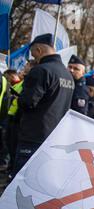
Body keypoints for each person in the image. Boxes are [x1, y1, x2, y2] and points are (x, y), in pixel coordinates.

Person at [15, 33, 74, 176]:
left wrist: (19, 98)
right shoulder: (68, 75)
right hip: (54, 138)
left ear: (39, 50)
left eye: (33, 53)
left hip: (33, 136)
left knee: (21, 181)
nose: (33, 58)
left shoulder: (41, 70)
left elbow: (28, 102)